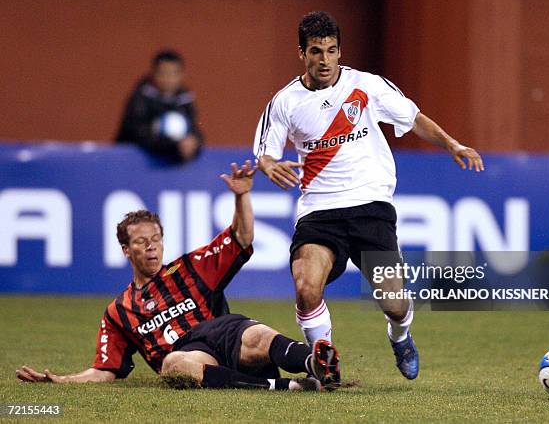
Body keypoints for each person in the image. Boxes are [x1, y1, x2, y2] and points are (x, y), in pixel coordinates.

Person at [253, 11, 484, 380]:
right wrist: (268, 165)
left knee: (394, 303)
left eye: (331, 50)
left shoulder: (367, 86)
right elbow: (265, 150)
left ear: (340, 51)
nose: (325, 60)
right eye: (316, 51)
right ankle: (323, 363)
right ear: (302, 54)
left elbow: (413, 117)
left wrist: (451, 144)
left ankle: (401, 335)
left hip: (370, 208)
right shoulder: (285, 102)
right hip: (319, 211)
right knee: (305, 286)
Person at [16, 161, 340, 391]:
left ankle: (315, 363)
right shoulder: (119, 311)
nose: (152, 248)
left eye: (156, 239)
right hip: (195, 358)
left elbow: (241, 238)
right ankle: (288, 386)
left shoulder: (190, 268)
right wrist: (62, 380)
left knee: (255, 334)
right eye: (142, 243)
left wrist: (241, 196)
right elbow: (105, 370)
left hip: (223, 334)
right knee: (172, 366)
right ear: (126, 251)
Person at [116, 50, 204, 163]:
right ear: (154, 74)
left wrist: (194, 143)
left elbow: (193, 129)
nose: (169, 79)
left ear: (182, 75)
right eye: (164, 73)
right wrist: (175, 146)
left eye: (174, 73)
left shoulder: (185, 99)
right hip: (131, 162)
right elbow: (140, 134)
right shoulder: (141, 98)